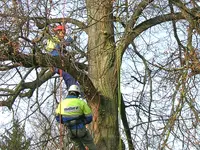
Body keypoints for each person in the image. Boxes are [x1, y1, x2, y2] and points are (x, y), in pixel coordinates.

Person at [55, 85, 96, 150]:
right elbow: (89, 117)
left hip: (70, 131)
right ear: (77, 93)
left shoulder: (62, 103)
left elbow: (57, 117)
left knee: (79, 146)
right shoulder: (81, 102)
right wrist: (83, 122)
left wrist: (66, 122)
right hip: (81, 129)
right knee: (90, 144)